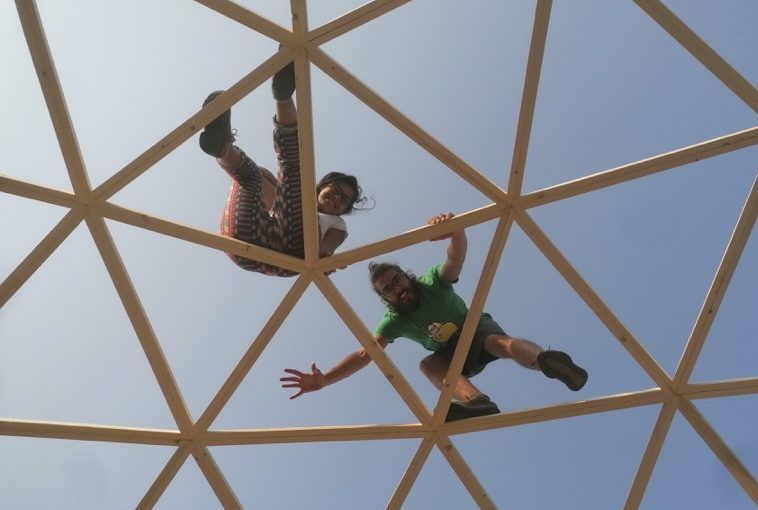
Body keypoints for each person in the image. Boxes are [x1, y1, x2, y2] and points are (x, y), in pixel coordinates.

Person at [280, 213, 589, 421]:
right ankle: (476, 401)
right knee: (428, 365)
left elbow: (455, 259)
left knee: (498, 342)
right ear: (386, 299)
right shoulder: (395, 320)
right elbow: (366, 353)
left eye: (398, 280)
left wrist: (455, 230)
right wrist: (325, 379)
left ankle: (544, 361)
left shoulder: (432, 283)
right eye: (389, 290)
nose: (398, 289)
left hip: (474, 328)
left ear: (407, 276)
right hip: (450, 354)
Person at [200, 61, 364, 276]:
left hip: (293, 254)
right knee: (253, 175)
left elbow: (330, 244)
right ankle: (223, 147)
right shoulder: (289, 205)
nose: (336, 199)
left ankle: (283, 97)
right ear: (322, 187)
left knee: (293, 167)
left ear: (343, 210)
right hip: (242, 241)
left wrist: (325, 256)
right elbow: (272, 190)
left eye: (343, 200)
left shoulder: (337, 223)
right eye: (335, 190)